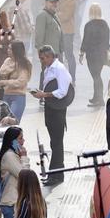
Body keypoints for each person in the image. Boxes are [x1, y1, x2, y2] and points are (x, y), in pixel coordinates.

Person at [32, 46, 72, 185]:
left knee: (57, 143)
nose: (42, 61)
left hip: (58, 110)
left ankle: (56, 175)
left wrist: (44, 94)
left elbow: (62, 91)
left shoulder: (60, 69)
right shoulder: (49, 69)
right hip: (50, 108)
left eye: (43, 58)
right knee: (54, 142)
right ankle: (54, 173)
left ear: (50, 56)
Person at [79, 3, 110, 107]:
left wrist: (81, 53)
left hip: (91, 55)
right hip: (101, 54)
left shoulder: (89, 25)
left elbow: (85, 40)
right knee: (97, 75)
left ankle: (100, 99)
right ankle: (96, 97)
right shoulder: (104, 24)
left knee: (96, 76)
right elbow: (107, 40)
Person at [0, 41, 33, 122]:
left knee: (12, 121)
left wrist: (5, 82)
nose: (8, 50)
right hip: (5, 95)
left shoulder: (24, 64)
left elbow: (21, 82)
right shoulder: (7, 61)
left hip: (18, 96)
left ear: (16, 50)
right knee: (2, 121)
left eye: (10, 49)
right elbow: (2, 72)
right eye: (8, 48)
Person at [54, 0, 80, 69]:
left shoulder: (70, 0)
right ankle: (62, 76)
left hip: (67, 32)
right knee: (58, 56)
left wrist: (55, 13)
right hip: (57, 31)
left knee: (69, 55)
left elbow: (66, 17)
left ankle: (72, 78)